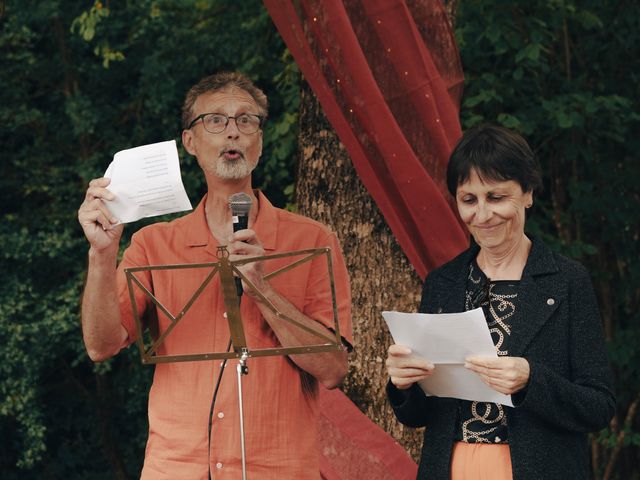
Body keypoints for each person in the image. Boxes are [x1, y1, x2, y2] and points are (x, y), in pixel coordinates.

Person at [78, 72, 352, 479]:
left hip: (277, 469)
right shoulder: (154, 244)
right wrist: (101, 256)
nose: (232, 133)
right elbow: (101, 345)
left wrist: (261, 287)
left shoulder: (312, 239)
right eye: (216, 120)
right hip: (176, 467)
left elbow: (332, 369)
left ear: (260, 140)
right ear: (190, 141)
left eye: (246, 120)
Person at [385, 125, 615, 480]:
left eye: (496, 197)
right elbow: (417, 416)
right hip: (450, 468)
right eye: (469, 200)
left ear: (527, 193)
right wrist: (403, 384)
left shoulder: (568, 281)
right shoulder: (443, 283)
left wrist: (530, 380)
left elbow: (599, 407)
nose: (482, 215)